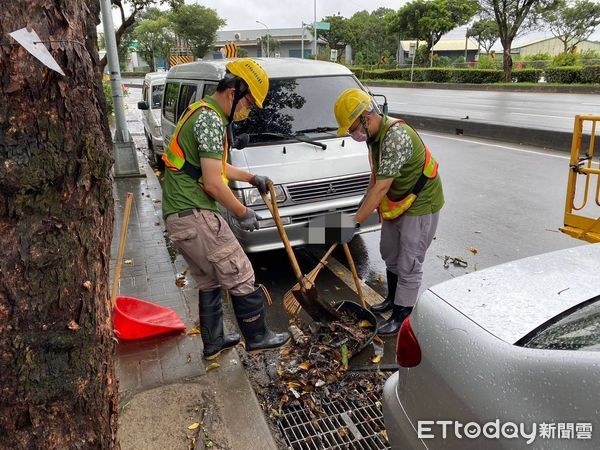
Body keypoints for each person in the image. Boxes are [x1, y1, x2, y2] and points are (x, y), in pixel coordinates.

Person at [162, 58, 290, 359]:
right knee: (240, 271)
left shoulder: (200, 112)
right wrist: (243, 212)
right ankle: (258, 336)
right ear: (233, 92)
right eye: (248, 103)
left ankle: (214, 342)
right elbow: (213, 184)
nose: (248, 111)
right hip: (195, 213)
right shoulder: (211, 120)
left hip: (178, 217)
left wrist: (250, 177)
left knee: (210, 280)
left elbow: (213, 166)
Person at [333, 88, 444, 335]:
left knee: (409, 261)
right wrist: (356, 213)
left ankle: (402, 316)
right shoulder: (375, 138)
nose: (353, 135)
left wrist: (354, 224)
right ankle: (393, 300)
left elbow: (382, 186)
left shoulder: (396, 136)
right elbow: (376, 180)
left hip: (421, 203)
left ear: (366, 117)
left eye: (352, 129)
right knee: (390, 252)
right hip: (399, 201)